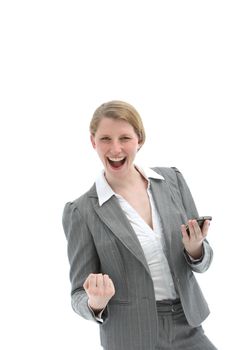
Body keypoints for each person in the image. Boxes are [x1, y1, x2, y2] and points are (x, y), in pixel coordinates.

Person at [62, 100, 217, 350]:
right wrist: (95, 302)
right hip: (131, 337)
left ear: (139, 140)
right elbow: (78, 295)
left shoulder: (172, 181)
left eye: (124, 137)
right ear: (93, 142)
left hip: (187, 323)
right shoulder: (81, 212)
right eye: (105, 139)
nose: (115, 148)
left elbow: (204, 259)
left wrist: (195, 249)